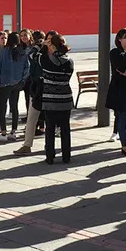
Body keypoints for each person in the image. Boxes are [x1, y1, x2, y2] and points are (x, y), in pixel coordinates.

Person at [40, 31, 74, 164]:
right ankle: (66, 156)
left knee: (50, 129)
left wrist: (43, 45)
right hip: (65, 98)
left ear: (52, 46)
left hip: (50, 99)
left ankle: (50, 156)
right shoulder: (70, 61)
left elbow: (32, 55)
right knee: (65, 128)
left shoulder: (46, 60)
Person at [14, 30, 47, 156]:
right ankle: (28, 145)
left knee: (34, 117)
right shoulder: (36, 53)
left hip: (39, 87)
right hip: (37, 87)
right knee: (32, 116)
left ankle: (29, 145)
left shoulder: (38, 54)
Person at [0, 32, 29, 142]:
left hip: (4, 83)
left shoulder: (4, 51)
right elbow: (27, 68)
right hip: (17, 83)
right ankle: (13, 131)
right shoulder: (22, 52)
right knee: (14, 107)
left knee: (2, 107)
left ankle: (3, 132)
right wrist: (22, 80)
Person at [106, 28, 126, 156]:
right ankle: (124, 145)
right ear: (119, 39)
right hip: (120, 89)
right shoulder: (115, 52)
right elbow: (121, 67)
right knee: (123, 116)